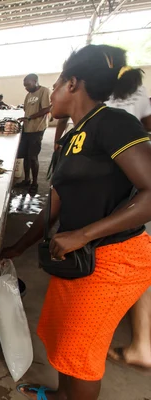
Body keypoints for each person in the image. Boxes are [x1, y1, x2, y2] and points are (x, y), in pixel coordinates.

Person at [1, 44, 151, 400]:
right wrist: (16, 248)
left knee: (81, 354)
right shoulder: (72, 137)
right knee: (62, 338)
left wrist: (83, 234)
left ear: (73, 85)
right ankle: (59, 394)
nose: (49, 95)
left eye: (54, 86)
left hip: (113, 259)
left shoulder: (114, 123)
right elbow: (55, 203)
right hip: (77, 258)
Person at [100, 46, 151, 373]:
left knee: (138, 250)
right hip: (122, 182)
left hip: (133, 182)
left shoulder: (128, 92)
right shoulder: (121, 93)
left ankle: (142, 345)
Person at [17, 74, 51, 193]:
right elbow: (26, 110)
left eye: (28, 84)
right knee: (26, 156)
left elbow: (47, 108)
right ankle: (27, 179)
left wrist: (31, 117)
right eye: (25, 85)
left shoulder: (44, 91)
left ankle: (35, 182)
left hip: (37, 129)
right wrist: (25, 119)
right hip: (27, 129)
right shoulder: (28, 95)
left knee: (32, 157)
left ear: (35, 81)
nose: (26, 87)